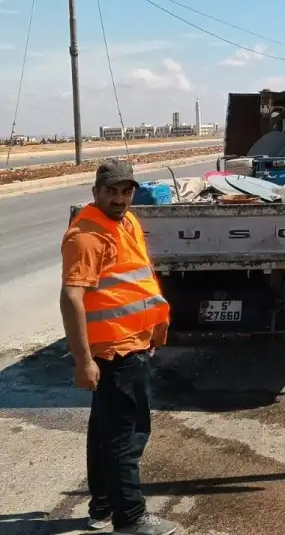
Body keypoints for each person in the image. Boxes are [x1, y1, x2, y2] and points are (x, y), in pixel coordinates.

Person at [59, 159, 180, 535]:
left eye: (125, 191)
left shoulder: (126, 222)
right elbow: (71, 298)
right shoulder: (86, 236)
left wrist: (154, 329)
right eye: (111, 191)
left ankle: (103, 506)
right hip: (114, 350)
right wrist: (83, 361)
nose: (119, 198)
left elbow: (135, 283)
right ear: (96, 192)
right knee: (126, 434)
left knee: (104, 431)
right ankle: (131, 518)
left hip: (133, 344)